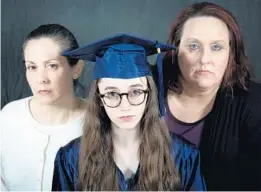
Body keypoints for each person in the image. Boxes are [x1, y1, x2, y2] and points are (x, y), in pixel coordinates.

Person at [51, 34, 206, 191]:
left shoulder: (183, 157)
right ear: (99, 98)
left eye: (136, 92)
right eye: (112, 93)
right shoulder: (71, 159)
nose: (125, 106)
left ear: (149, 94)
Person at [159, 2, 261, 190]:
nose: (205, 59)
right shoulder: (143, 89)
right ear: (175, 49)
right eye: (193, 46)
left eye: (216, 47)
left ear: (232, 53)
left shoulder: (254, 103)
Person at [0, 24, 86, 191]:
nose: (41, 79)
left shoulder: (98, 122)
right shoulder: (9, 117)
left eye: (52, 65)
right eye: (32, 67)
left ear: (76, 68)